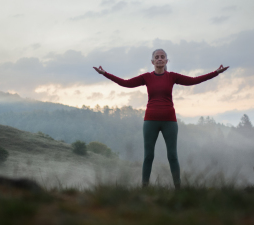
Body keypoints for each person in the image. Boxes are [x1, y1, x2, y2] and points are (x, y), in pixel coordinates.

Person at [93, 49, 229, 188]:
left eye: (162, 57)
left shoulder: (172, 77)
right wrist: (105, 74)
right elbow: (125, 83)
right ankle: (144, 188)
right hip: (150, 121)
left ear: (166, 61)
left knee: (172, 156)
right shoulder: (146, 77)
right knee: (148, 156)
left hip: (170, 121)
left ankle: (178, 189)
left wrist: (216, 73)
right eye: (156, 57)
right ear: (152, 62)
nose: (159, 59)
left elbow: (194, 81)